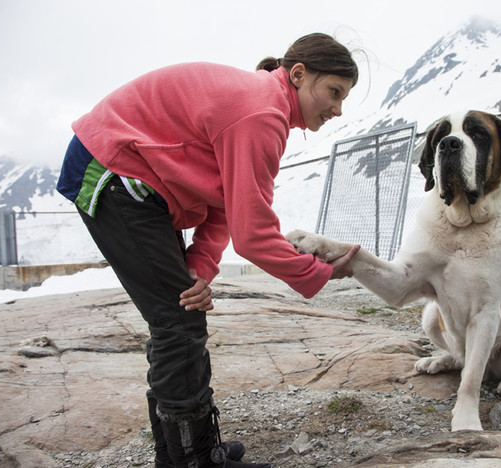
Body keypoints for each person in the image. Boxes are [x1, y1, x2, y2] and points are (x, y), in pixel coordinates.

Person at [57, 32, 360, 468]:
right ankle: (190, 459)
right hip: (113, 170)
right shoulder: (261, 113)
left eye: (344, 98)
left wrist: (200, 267)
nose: (337, 108)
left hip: (135, 178)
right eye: (334, 92)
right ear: (298, 75)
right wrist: (320, 271)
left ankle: (186, 453)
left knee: (181, 313)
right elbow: (253, 235)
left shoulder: (263, 105)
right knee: (177, 321)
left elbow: (226, 202)